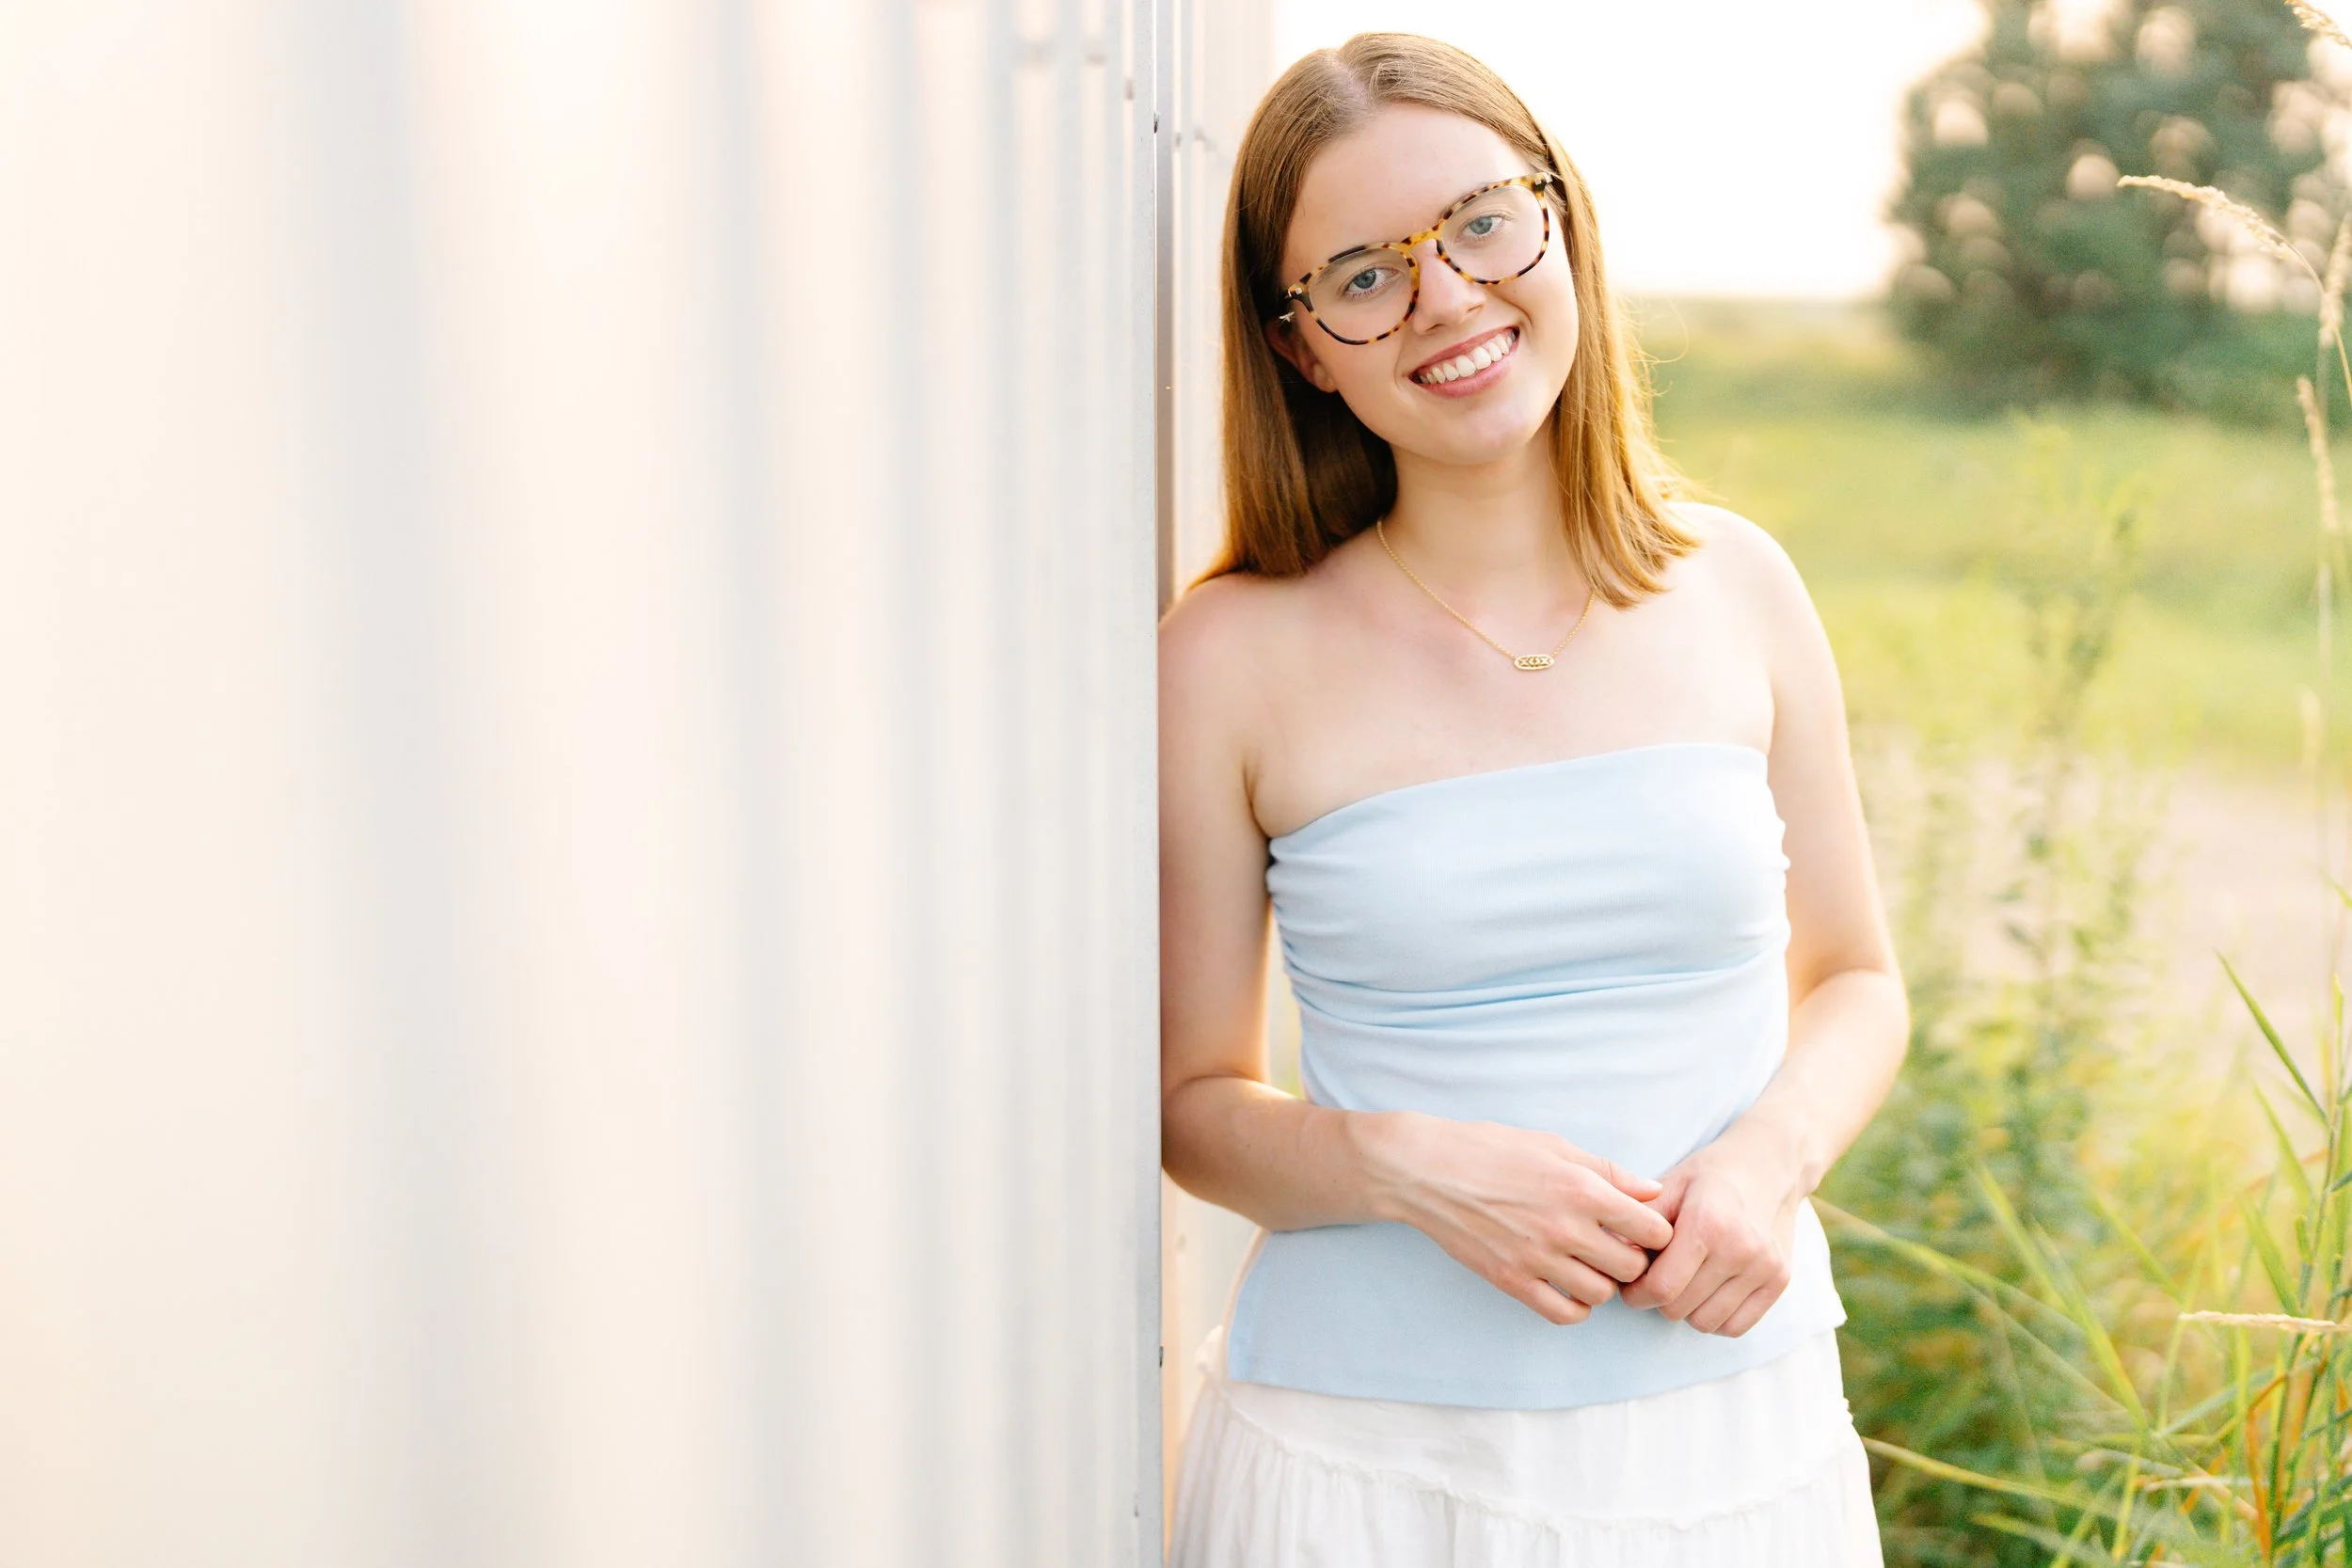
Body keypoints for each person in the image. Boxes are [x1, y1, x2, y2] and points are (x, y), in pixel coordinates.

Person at [1155, 32, 1911, 1567]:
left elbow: (1858, 983)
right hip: (1363, 1467)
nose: (1446, 298)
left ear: (1559, 220)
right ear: (1303, 347)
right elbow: (1192, 1110)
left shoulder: (1740, 586)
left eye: (1482, 223)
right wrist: (1404, 1166)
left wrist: (1770, 1160)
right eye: (1363, 275)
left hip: (1732, 1441)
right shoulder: (1231, 656)